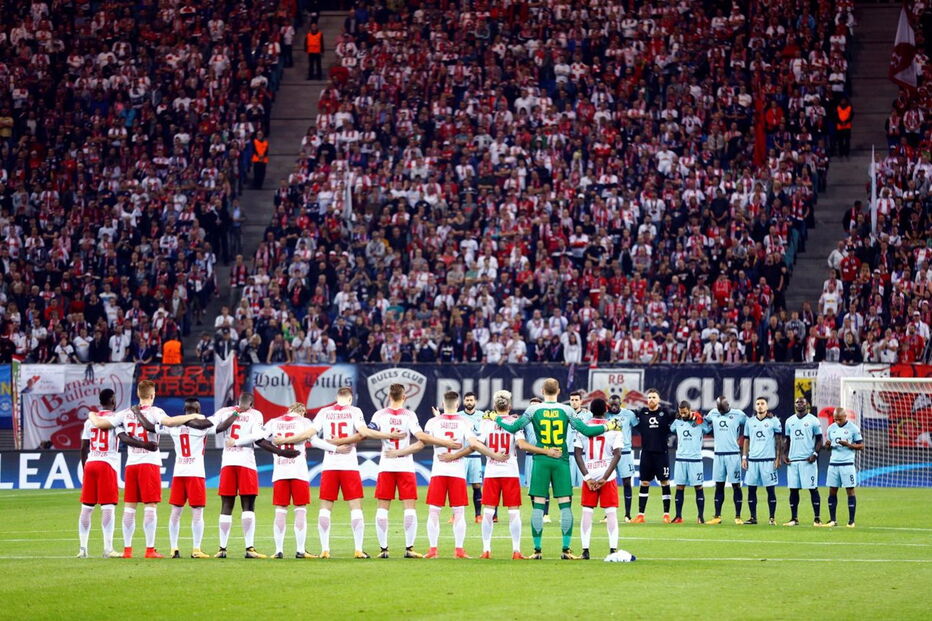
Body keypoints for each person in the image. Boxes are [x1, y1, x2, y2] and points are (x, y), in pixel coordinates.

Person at [494, 377, 615, 560]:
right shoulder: (566, 410)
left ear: (542, 391)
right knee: (565, 505)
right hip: (561, 460)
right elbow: (587, 431)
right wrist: (609, 426)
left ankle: (537, 550)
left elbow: (512, 428)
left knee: (538, 506)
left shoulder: (533, 409)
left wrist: (496, 418)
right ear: (559, 392)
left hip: (541, 460)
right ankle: (566, 550)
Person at [276, 387, 402, 558]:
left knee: (326, 507)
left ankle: (325, 549)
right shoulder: (354, 411)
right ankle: (358, 549)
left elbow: (309, 434)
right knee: (355, 507)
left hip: (329, 465)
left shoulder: (324, 412)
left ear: (337, 398)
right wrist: (388, 434)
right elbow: (364, 433)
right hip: (349, 465)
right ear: (350, 399)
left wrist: (286, 440)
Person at [88, 380, 205, 558]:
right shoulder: (156, 411)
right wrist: (192, 416)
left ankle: (127, 550)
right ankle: (150, 549)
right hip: (149, 463)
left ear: (138, 394)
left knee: (129, 507)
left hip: (131, 464)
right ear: (152, 395)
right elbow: (171, 422)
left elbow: (100, 424)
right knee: (150, 506)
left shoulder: (126, 413)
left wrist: (91, 415)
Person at [370, 384, 460, 558]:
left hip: (385, 465)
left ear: (389, 395)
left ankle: (383, 550)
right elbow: (422, 438)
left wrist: (386, 436)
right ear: (405, 397)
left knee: (382, 508)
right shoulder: (409, 416)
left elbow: (366, 432)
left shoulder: (379, 415)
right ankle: (409, 549)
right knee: (409, 508)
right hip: (405, 466)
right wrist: (445, 442)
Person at [416, 391, 502, 559]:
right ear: (457, 404)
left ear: (443, 403)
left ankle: (433, 550)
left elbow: (423, 440)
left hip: (438, 471)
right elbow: (474, 444)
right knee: (459, 512)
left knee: (434, 512)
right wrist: (493, 454)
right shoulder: (464, 422)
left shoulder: (433, 422)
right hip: (457, 472)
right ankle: (459, 550)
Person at [208, 392, 295, 558]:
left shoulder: (225, 412)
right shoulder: (255, 414)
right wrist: (279, 452)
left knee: (226, 504)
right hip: (246, 462)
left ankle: (222, 549)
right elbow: (259, 439)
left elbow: (218, 429)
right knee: (248, 505)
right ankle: (249, 549)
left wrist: (235, 414)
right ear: (252, 404)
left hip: (227, 461)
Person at [77, 389, 156, 559]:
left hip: (91, 463)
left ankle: (83, 549)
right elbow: (126, 439)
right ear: (113, 401)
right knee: (108, 508)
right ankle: (108, 548)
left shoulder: (90, 421)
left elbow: (83, 447)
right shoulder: (116, 419)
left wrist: (85, 468)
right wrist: (145, 444)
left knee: (86, 507)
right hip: (107, 464)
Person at [265, 402, 346, 558]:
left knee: (280, 510)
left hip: (280, 471)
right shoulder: (304, 422)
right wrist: (336, 448)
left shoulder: (274, 422)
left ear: (288, 410)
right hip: (298, 471)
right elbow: (315, 441)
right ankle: (300, 550)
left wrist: (275, 449)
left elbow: (260, 439)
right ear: (302, 412)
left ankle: (278, 550)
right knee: (300, 509)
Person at [473, 390, 535, 559]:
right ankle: (516, 551)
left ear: (494, 406)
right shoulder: (515, 423)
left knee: (488, 511)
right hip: (510, 471)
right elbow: (521, 445)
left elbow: (477, 445)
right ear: (510, 406)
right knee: (513, 511)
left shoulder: (486, 423)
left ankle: (486, 550)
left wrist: (492, 455)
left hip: (492, 471)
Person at [574, 398, 622, 559]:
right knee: (611, 512)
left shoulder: (583, 428)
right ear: (606, 409)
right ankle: (613, 550)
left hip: (590, 474)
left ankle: (585, 550)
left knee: (587, 512)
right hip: (607, 476)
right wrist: (605, 477)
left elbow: (578, 454)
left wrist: (587, 477)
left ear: (590, 410)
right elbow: (617, 455)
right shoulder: (614, 428)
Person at [165, 399, 213, 559]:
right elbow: (220, 426)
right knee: (197, 512)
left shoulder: (173, 427)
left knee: (176, 511)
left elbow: (153, 427)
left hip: (179, 472)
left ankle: (173, 548)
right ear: (198, 409)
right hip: (196, 472)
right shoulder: (203, 427)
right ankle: (196, 549)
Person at [630, 388, 676, 523]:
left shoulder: (666, 413)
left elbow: (680, 416)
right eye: (649, 397)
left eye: (654, 397)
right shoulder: (642, 412)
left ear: (658, 400)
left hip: (662, 453)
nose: (651, 400)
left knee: (664, 482)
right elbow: (628, 414)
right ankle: (640, 515)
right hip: (646, 454)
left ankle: (666, 514)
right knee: (644, 482)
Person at [704, 396, 747, 524]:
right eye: (719, 410)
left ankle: (738, 517)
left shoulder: (738, 414)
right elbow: (704, 423)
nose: (721, 412)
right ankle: (717, 517)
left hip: (733, 454)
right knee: (719, 486)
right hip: (718, 455)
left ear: (728, 405)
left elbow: (751, 424)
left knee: (736, 486)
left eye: (723, 409)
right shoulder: (713, 413)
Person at [782, 397, 823, 526]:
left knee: (813, 489)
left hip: (807, 461)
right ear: (794, 405)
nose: (799, 404)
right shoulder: (789, 421)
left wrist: (815, 454)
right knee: (793, 490)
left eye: (802, 402)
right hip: (793, 461)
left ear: (807, 405)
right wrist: (784, 454)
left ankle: (817, 518)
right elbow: (787, 440)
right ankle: (794, 518)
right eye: (797, 402)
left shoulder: (813, 421)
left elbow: (819, 439)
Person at [741, 397, 783, 525]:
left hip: (768, 460)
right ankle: (753, 517)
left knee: (770, 490)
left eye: (762, 404)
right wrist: (744, 457)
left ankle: (772, 518)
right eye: (758, 404)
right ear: (755, 407)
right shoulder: (750, 422)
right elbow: (746, 440)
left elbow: (779, 441)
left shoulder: (774, 421)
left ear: (767, 406)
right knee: (751, 489)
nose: (760, 406)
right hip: (753, 461)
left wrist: (778, 457)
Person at [823, 407, 864, 527]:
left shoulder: (853, 428)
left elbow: (861, 446)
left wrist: (848, 445)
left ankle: (851, 521)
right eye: (835, 419)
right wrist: (827, 445)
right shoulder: (831, 428)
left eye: (839, 419)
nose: (837, 422)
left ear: (845, 417)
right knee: (832, 491)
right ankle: (832, 520)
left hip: (847, 464)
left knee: (850, 491)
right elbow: (828, 447)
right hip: (833, 464)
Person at [670, 402, 707, 524]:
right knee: (679, 487)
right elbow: (671, 429)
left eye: (685, 412)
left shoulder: (698, 421)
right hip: (680, 459)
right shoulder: (678, 422)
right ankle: (678, 516)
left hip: (695, 460)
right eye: (681, 412)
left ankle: (700, 517)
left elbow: (708, 429)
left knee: (698, 487)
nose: (683, 414)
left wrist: (700, 419)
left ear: (690, 410)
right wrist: (677, 418)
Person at [608, 394, 639, 521]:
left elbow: (638, 426)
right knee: (609, 483)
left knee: (626, 482)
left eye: (616, 404)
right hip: (609, 453)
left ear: (620, 404)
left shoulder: (629, 414)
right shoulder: (605, 415)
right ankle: (608, 514)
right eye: (611, 404)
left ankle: (627, 514)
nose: (614, 407)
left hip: (625, 452)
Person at [457, 392, 486, 522]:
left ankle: (478, 515)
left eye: (471, 400)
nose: (469, 402)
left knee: (477, 485)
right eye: (467, 400)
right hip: (462, 456)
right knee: (458, 486)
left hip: (476, 456)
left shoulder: (482, 416)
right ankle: (456, 515)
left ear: (475, 402)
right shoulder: (458, 416)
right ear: (464, 401)